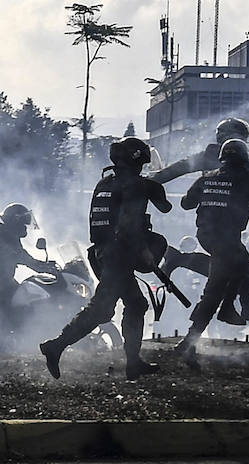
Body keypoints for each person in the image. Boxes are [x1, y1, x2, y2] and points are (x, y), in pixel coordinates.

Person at [150, 118, 249, 321]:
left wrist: (147, 181)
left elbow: (174, 173)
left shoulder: (207, 159)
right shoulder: (246, 161)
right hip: (225, 228)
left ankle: (245, 305)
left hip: (211, 227)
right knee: (226, 274)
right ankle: (219, 310)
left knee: (241, 263)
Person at [41, 137, 172, 381]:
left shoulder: (104, 183)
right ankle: (55, 346)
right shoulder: (136, 185)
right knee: (101, 309)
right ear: (138, 159)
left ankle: (133, 363)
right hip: (119, 254)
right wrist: (144, 250)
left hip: (102, 253)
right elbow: (143, 217)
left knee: (136, 304)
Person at [175, 139, 249, 369]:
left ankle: (235, 309)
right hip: (226, 239)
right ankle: (237, 310)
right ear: (245, 158)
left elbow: (186, 204)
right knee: (217, 287)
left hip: (207, 237)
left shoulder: (207, 177)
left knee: (240, 265)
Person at [0, 203, 57, 315]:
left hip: (6, 283)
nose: (25, 228)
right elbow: (19, 256)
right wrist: (42, 267)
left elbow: (24, 255)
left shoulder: (11, 237)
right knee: (21, 308)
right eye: (23, 224)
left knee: (32, 295)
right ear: (15, 222)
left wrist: (45, 265)